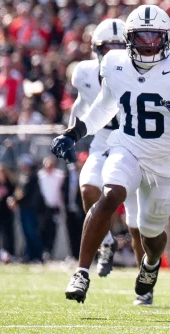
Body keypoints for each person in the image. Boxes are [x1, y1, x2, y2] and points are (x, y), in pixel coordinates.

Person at [50, 4, 170, 305]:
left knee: (151, 233)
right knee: (110, 194)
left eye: (154, 37)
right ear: (129, 39)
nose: (148, 43)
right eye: (141, 36)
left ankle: (150, 264)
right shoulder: (115, 63)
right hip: (127, 146)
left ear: (168, 38)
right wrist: (73, 133)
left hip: (163, 162)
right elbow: (103, 108)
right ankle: (81, 272)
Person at [68, 19, 143, 282]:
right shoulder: (84, 73)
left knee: (137, 226)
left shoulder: (142, 72)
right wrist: (70, 135)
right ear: (96, 49)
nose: (113, 52)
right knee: (88, 188)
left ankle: (144, 284)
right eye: (107, 47)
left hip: (133, 145)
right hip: (102, 143)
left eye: (119, 46)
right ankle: (106, 241)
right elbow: (81, 103)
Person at [37, 156, 65, 260]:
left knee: (53, 230)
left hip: (55, 207)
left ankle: (50, 251)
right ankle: (43, 251)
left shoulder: (59, 175)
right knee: (42, 229)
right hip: (43, 208)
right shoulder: (40, 176)